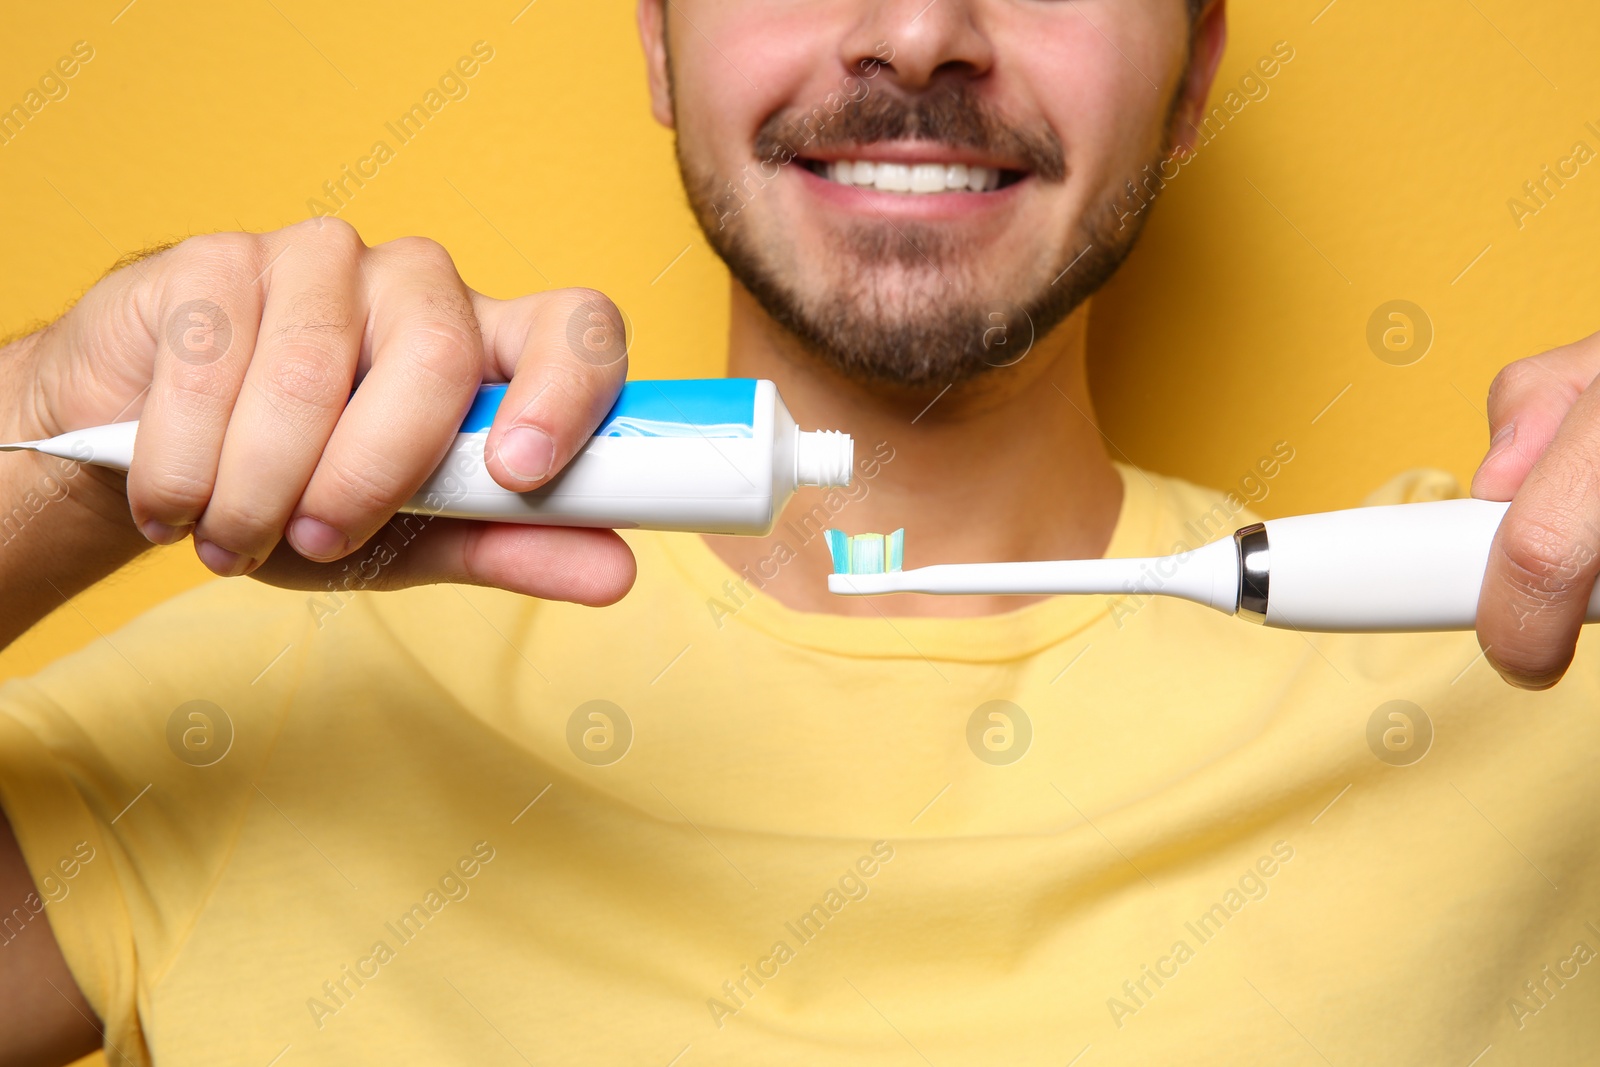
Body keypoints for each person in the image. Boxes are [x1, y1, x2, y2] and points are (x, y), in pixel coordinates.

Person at [2, 0, 1597, 1063]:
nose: (917, 28)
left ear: (1189, 73)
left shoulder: (1533, 653)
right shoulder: (258, 704)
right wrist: (47, 440)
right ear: (658, 37)